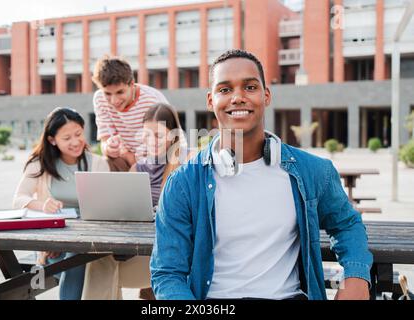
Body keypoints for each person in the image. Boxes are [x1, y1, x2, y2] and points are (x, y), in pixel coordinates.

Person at [150, 49, 373, 300]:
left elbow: (347, 224)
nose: (237, 97)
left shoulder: (313, 172)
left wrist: (356, 278)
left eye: (250, 87)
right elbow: (167, 273)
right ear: (210, 101)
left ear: (266, 96)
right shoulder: (182, 185)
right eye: (225, 90)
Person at [82, 103, 190, 300]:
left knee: (101, 271)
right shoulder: (138, 169)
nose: (151, 141)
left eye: (158, 135)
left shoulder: (186, 162)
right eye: (147, 135)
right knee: (98, 263)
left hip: (170, 258)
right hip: (138, 250)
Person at [13, 107, 110, 300]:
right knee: (75, 259)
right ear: (52, 140)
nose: (75, 142)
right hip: (53, 241)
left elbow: (107, 204)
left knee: (77, 255)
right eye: (67, 138)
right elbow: (19, 199)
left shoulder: (98, 163)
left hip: (89, 240)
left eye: (78, 134)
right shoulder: (39, 164)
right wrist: (42, 205)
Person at [92, 56, 169, 171]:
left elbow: (164, 146)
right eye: (108, 93)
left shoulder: (152, 101)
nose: (114, 101)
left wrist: (132, 160)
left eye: (120, 92)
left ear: (132, 84)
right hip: (126, 158)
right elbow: (105, 140)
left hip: (158, 160)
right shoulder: (99, 99)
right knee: (102, 163)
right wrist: (108, 147)